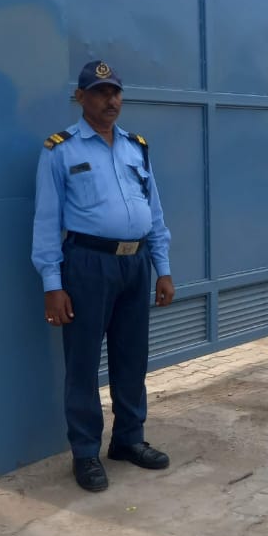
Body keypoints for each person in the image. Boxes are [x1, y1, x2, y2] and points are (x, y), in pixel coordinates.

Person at [32, 61, 175, 491]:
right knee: (82, 363)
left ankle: (128, 440)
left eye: (115, 92)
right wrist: (52, 285)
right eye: (99, 92)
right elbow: (45, 222)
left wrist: (162, 268)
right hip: (87, 265)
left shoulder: (137, 147)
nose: (111, 100)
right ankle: (85, 452)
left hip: (135, 265)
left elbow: (155, 214)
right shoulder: (61, 149)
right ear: (81, 97)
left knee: (132, 358)